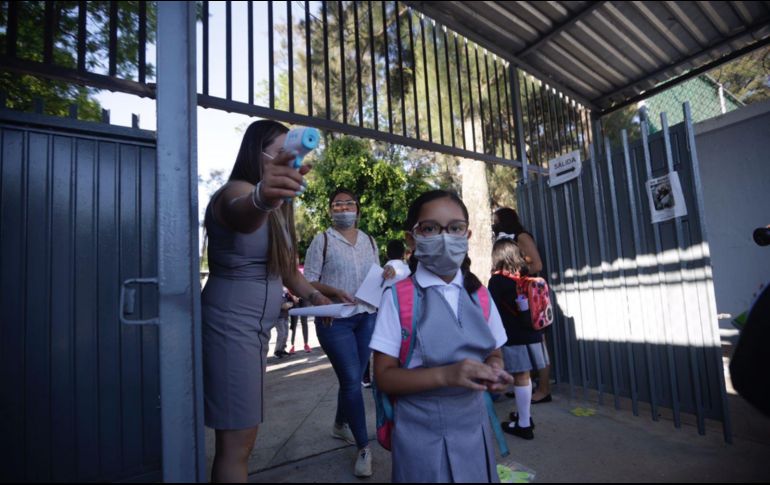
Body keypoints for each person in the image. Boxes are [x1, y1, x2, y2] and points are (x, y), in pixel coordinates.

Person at [201, 120, 332, 483]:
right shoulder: (235, 192)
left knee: (243, 437)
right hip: (231, 325)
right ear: (255, 153)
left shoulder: (279, 206)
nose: (290, 159)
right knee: (237, 443)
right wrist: (262, 197)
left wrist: (315, 295)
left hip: (256, 329)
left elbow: (286, 270)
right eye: (280, 152)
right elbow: (242, 213)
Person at [371, 190, 514, 483]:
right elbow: (384, 377)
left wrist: (495, 369)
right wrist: (447, 375)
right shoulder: (398, 298)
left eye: (455, 228)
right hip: (420, 436)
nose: (445, 237)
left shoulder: (480, 295)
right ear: (412, 239)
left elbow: (494, 352)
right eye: (431, 228)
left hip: (475, 429)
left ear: (467, 235)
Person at [303, 188, 381, 478]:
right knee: (351, 381)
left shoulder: (369, 240)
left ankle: (339, 424)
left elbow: (376, 274)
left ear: (358, 209)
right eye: (338, 205)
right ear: (330, 211)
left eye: (349, 204)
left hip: (366, 316)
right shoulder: (322, 240)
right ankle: (363, 447)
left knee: (353, 378)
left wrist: (387, 275)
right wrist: (334, 291)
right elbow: (308, 280)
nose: (344, 209)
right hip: (335, 320)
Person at [488, 237, 550, 440]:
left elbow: (491, 309)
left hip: (514, 337)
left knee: (521, 377)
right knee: (525, 377)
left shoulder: (497, 281)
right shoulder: (524, 276)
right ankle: (524, 415)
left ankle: (524, 424)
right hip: (534, 334)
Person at [492, 207, 551, 404]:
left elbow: (537, 265)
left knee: (538, 345)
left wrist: (514, 273)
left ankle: (544, 390)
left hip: (530, 298)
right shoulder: (506, 238)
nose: (494, 224)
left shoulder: (521, 236)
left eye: (496, 220)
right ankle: (525, 384)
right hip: (517, 299)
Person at [273, 288, 293, 359]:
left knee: (286, 334)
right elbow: (276, 305)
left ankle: (282, 349)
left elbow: (291, 301)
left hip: (285, 316)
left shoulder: (286, 292)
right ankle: (277, 351)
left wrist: (290, 303)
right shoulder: (275, 292)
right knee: (281, 334)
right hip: (278, 317)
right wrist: (284, 305)